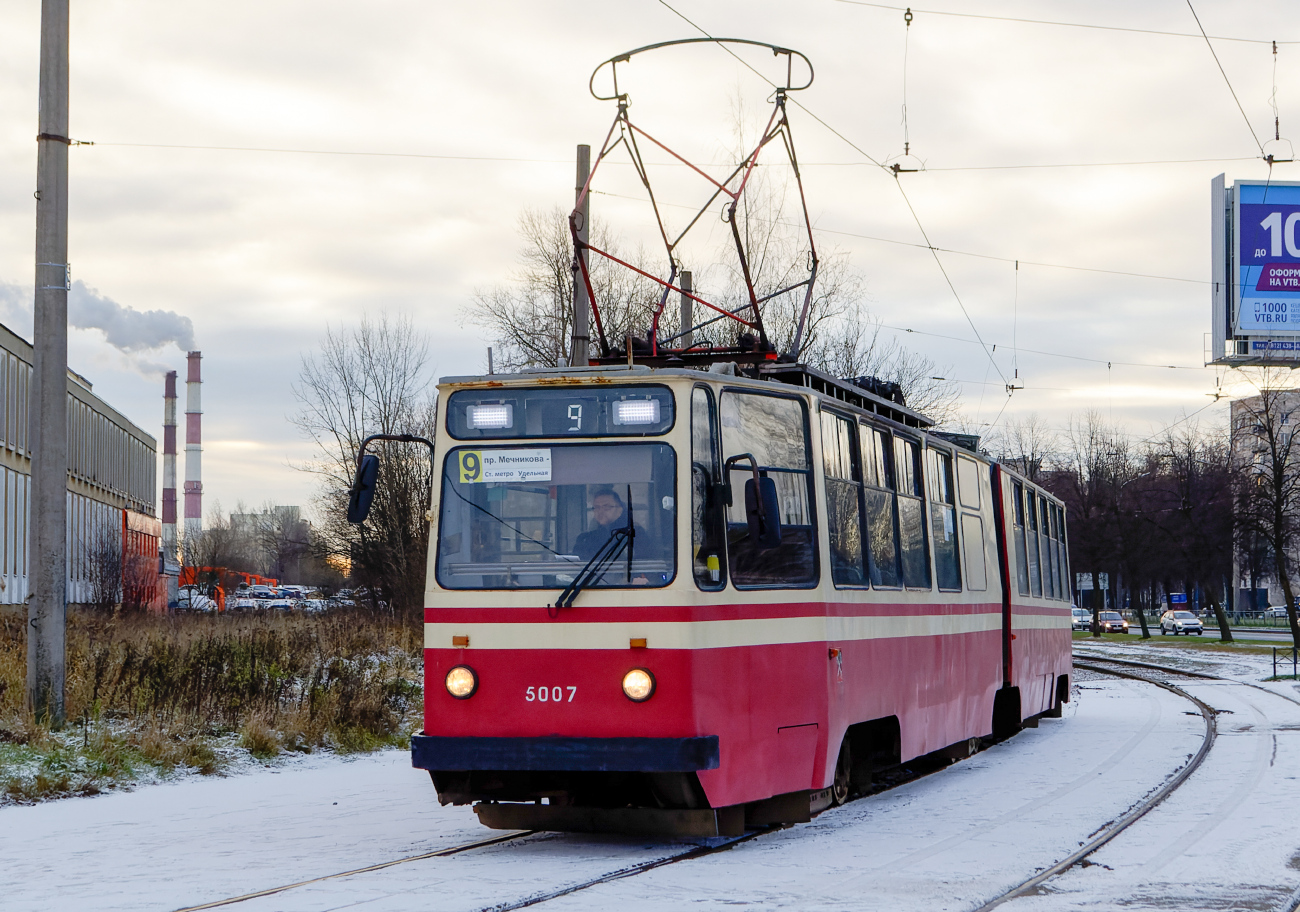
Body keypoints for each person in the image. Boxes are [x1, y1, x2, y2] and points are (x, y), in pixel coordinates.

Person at [573, 488, 649, 562]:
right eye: (597, 507)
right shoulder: (585, 540)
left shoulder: (636, 534)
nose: (600, 511)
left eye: (607, 507)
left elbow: (646, 566)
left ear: (620, 510)